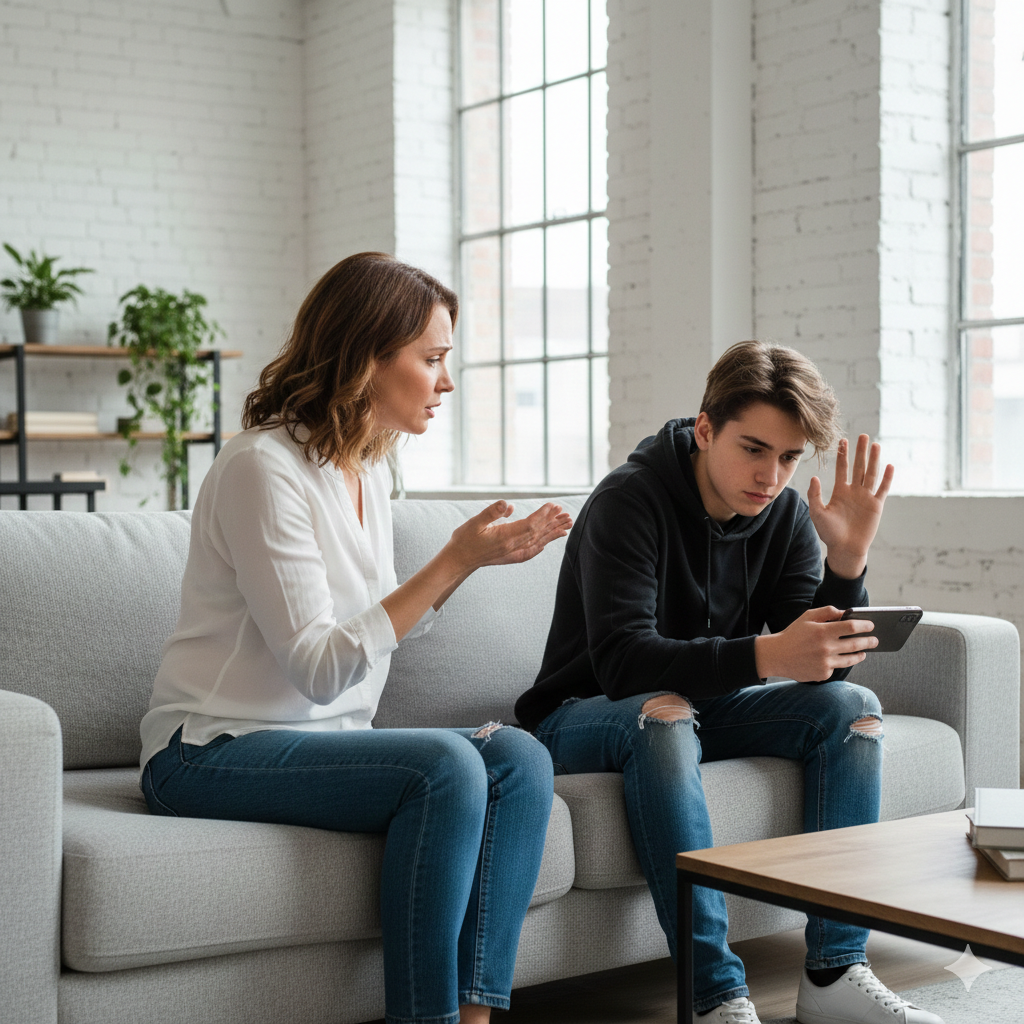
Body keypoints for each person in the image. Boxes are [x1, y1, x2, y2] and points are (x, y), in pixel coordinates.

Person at [139, 252, 573, 1024]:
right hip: (207, 750)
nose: (446, 382)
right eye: (432, 359)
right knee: (446, 767)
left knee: (519, 758)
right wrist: (452, 560)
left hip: (325, 740)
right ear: (367, 356)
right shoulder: (261, 468)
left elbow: (376, 628)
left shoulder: (367, 469)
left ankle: (475, 1017)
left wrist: (468, 566)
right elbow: (319, 666)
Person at [514, 341, 945, 1024]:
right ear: (706, 427)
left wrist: (847, 562)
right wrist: (767, 655)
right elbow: (623, 663)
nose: (770, 476)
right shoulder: (628, 500)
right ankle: (714, 995)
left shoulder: (783, 514)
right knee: (661, 712)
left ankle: (834, 973)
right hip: (583, 714)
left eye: (789, 458)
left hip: (702, 710)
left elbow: (822, 666)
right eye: (754, 449)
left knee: (853, 708)